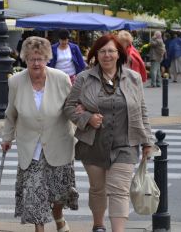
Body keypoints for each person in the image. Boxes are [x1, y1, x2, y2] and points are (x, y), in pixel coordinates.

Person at [64, 34, 155, 232]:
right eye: (102, 51)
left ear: (119, 54)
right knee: (98, 189)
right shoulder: (84, 78)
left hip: (125, 144)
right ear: (96, 54)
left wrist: (148, 140)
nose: (107, 55)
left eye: (111, 51)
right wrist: (87, 118)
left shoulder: (133, 78)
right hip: (93, 143)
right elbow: (69, 107)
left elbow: (141, 110)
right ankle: (98, 225)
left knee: (119, 191)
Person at [2, 36, 78, 232]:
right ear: (25, 59)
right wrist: (7, 138)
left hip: (59, 143)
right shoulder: (16, 82)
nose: (36, 63)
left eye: (40, 58)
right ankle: (40, 229)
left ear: (47, 59)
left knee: (58, 193)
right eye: (31, 59)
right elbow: (11, 113)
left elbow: (71, 109)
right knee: (35, 194)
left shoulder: (61, 79)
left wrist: (82, 128)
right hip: (31, 148)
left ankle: (59, 217)